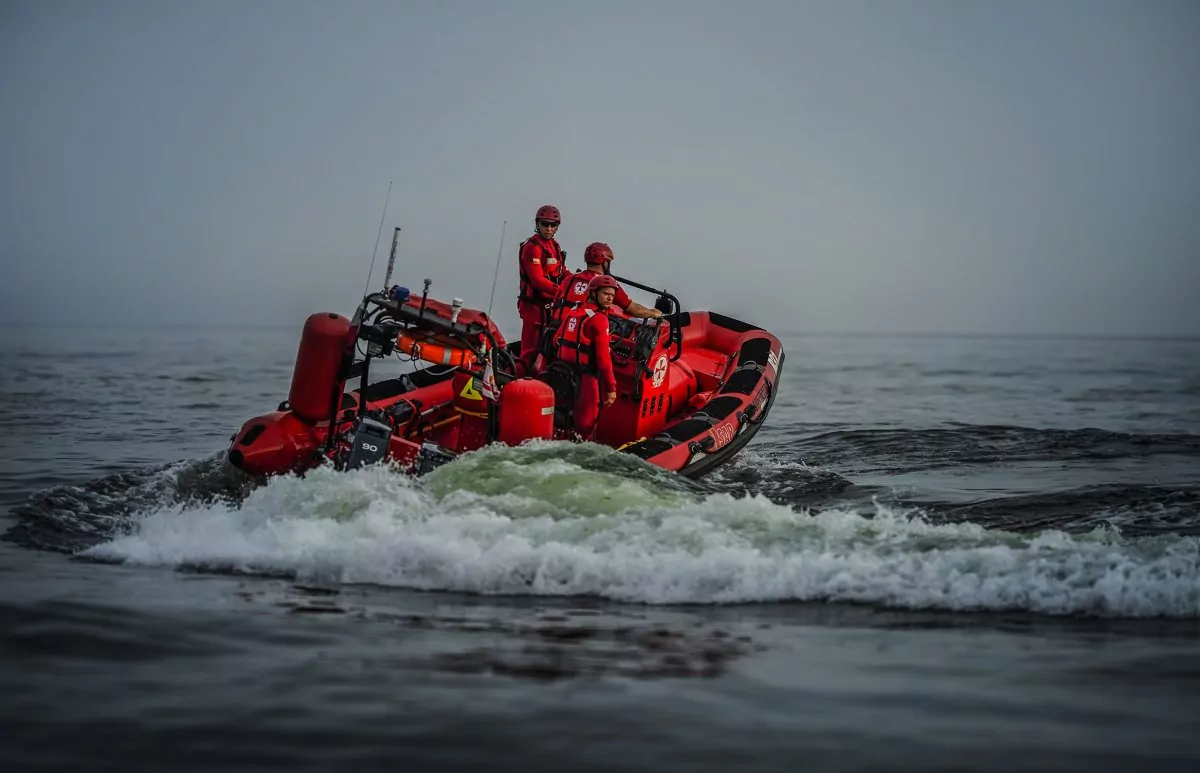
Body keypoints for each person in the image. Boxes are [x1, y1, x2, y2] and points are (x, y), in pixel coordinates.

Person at [554, 274, 621, 441]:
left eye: (612, 295)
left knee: (564, 420)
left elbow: (557, 340)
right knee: (587, 425)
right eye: (606, 294)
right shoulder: (599, 320)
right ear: (593, 292)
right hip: (586, 380)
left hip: (563, 375)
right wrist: (611, 388)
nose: (609, 299)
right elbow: (604, 361)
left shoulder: (574, 311)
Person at [550, 242, 663, 327]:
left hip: (556, 332)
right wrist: (654, 312)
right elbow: (634, 309)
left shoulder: (569, 279)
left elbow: (555, 302)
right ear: (605, 262)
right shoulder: (606, 284)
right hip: (582, 335)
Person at [516, 204, 567, 375]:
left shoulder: (555, 247)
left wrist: (577, 282)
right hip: (533, 307)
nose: (549, 228)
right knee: (529, 353)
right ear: (538, 224)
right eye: (545, 224)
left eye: (553, 225)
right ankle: (513, 383)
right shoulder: (532, 248)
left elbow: (561, 272)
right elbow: (537, 280)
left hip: (550, 307)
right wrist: (562, 292)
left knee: (548, 349)